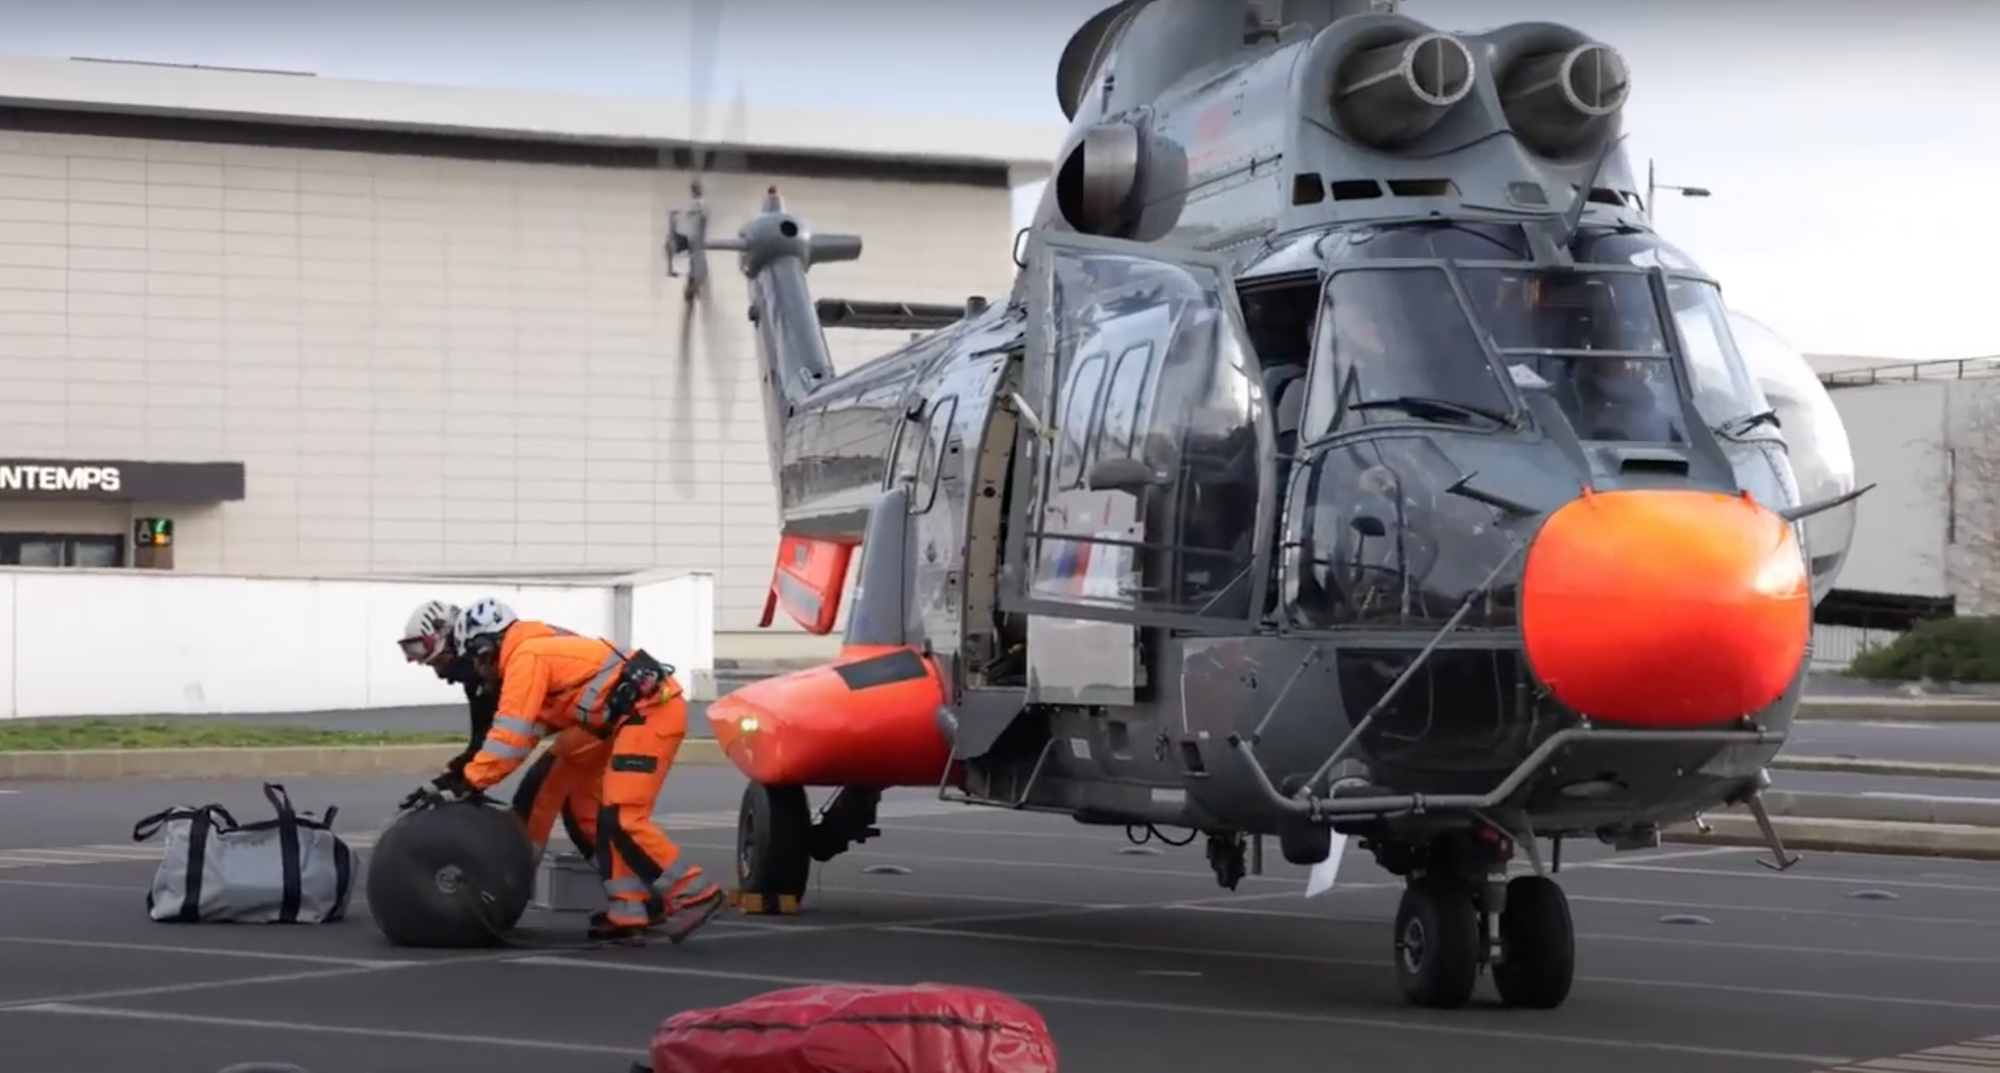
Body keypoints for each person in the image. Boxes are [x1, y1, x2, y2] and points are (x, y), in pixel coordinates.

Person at [409, 601, 726, 945]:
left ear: (486, 647)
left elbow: (508, 740)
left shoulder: (526, 658)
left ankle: (696, 888)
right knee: (585, 811)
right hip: (617, 720)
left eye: (477, 659)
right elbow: (522, 737)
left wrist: (470, 781)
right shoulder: (528, 652)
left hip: (648, 714)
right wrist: (462, 776)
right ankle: (629, 910)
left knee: (624, 817)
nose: (478, 670)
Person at [398, 600, 606, 868]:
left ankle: (516, 877)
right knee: (580, 813)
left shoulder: (504, 660)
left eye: (440, 662)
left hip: (600, 716)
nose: (441, 675)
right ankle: (625, 882)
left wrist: (466, 784)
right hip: (590, 717)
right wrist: (446, 781)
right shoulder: (485, 665)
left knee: (540, 795)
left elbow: (508, 740)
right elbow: (484, 743)